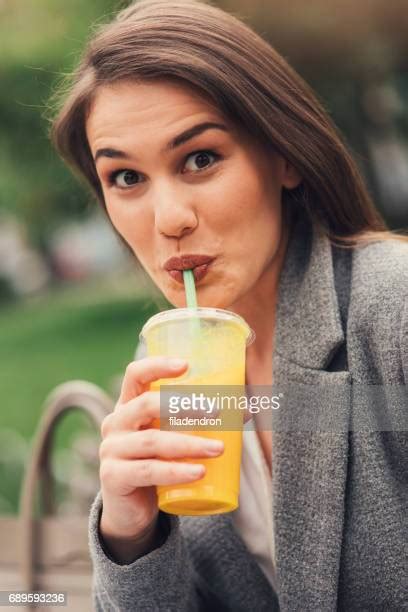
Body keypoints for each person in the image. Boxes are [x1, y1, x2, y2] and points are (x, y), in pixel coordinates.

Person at [50, 1, 408, 610]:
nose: (169, 220)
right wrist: (132, 535)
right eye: (127, 178)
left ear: (284, 154)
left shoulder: (392, 312)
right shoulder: (167, 360)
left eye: (200, 159)